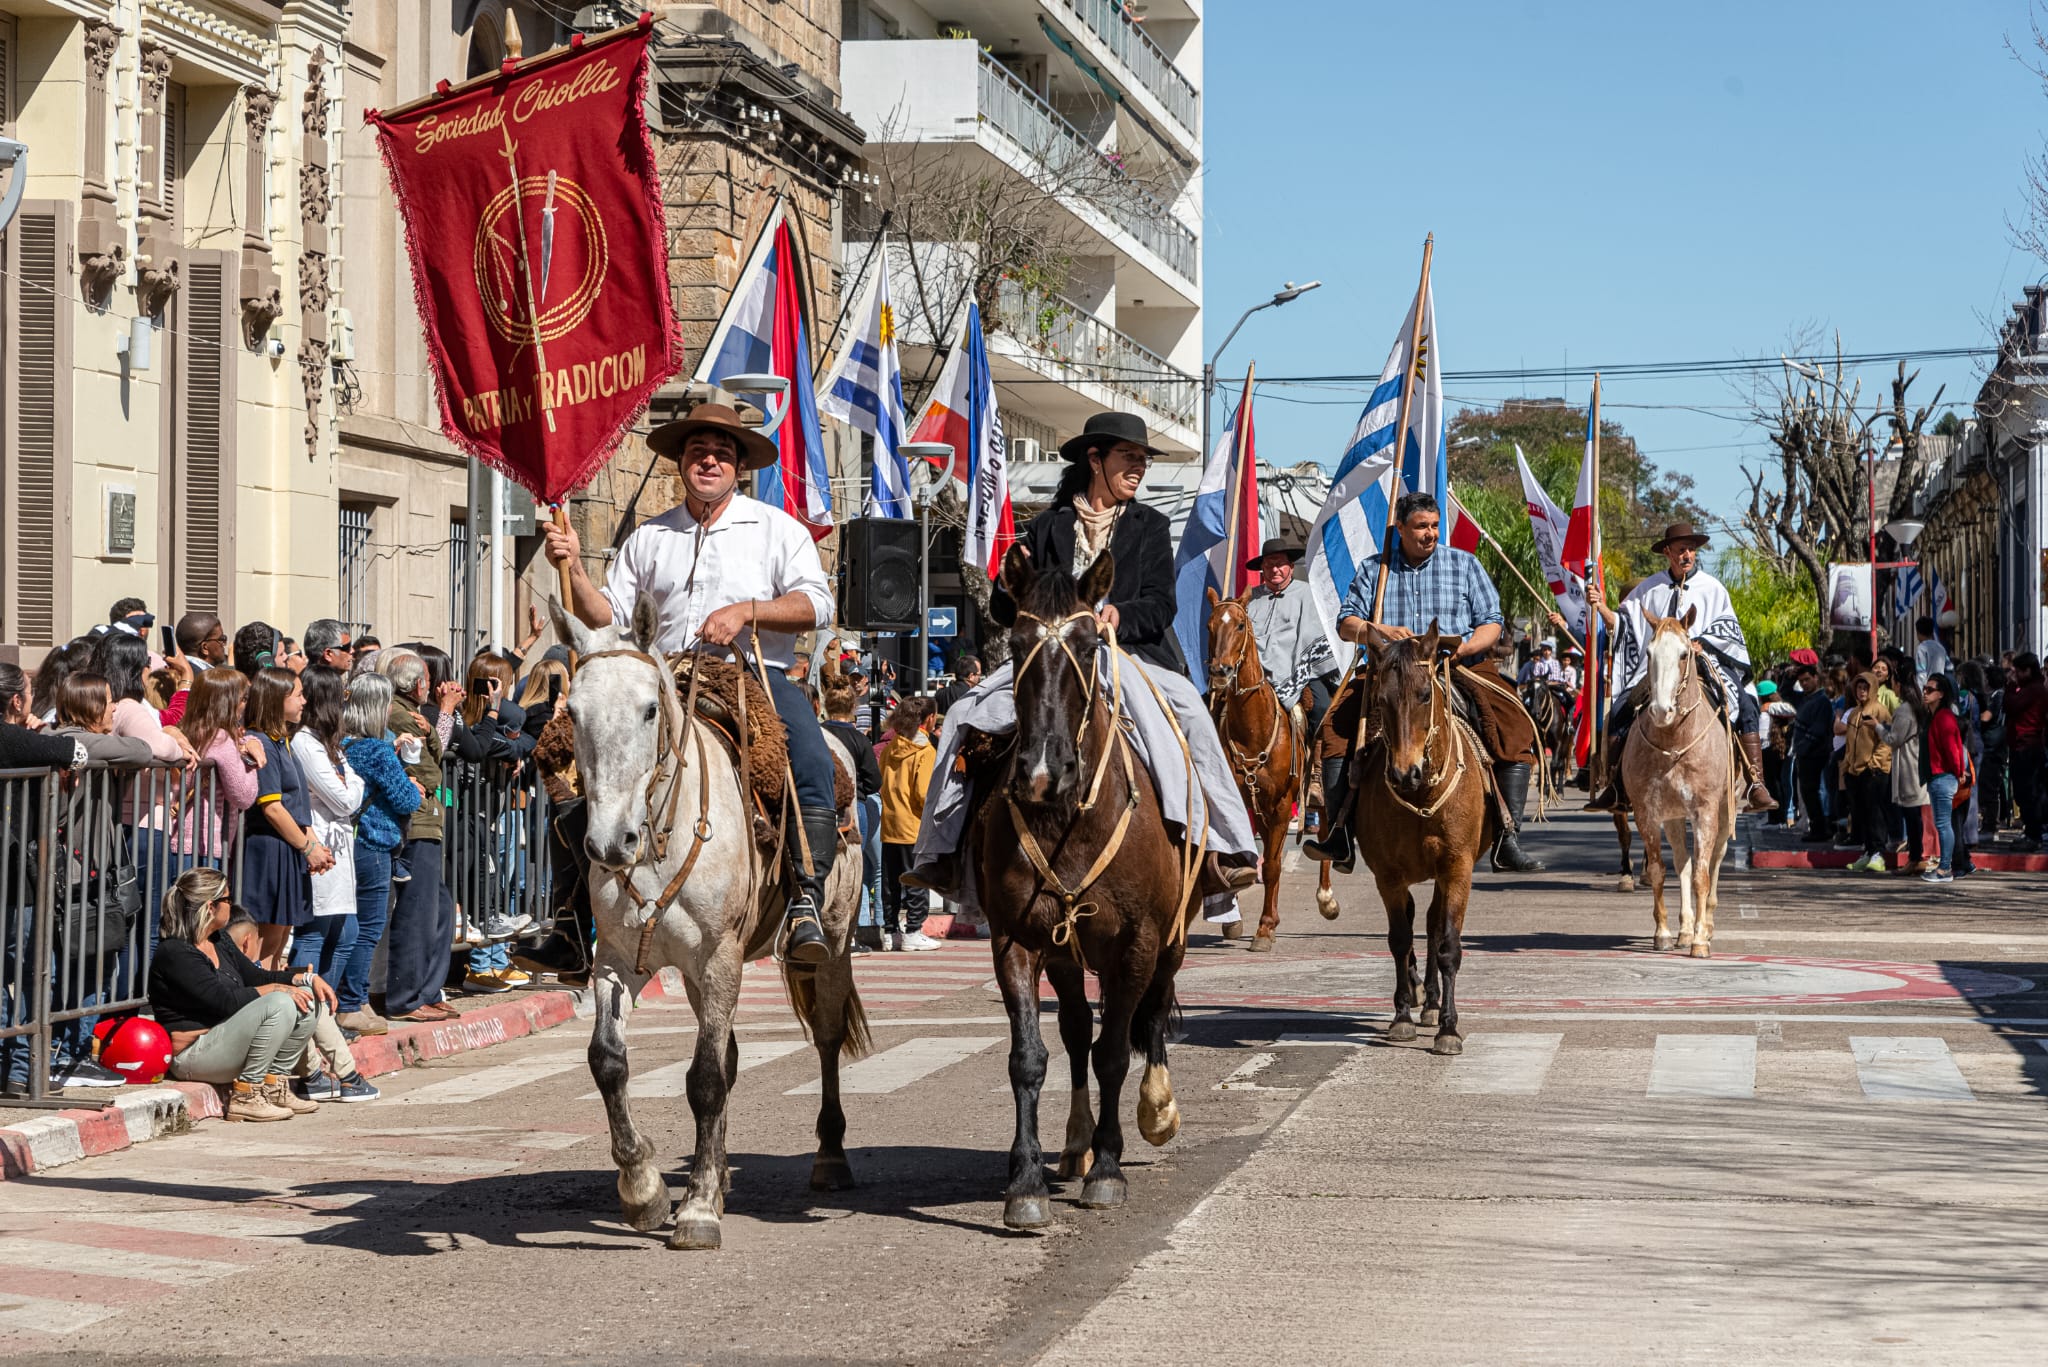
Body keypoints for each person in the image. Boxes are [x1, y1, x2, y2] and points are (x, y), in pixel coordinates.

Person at [901, 411, 1261, 910]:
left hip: (1127, 656)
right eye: (1129, 457)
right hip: (1052, 659)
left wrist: (1118, 614)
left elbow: (1162, 605)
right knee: (965, 714)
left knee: (1191, 717)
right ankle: (942, 850)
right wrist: (1010, 578)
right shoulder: (1048, 526)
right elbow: (1012, 609)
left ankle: (1222, 847)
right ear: (1096, 460)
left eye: (1143, 460)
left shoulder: (1151, 526)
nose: (1139, 467)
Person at [544, 402, 844, 964]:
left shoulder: (776, 527)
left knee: (808, 756)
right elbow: (603, 615)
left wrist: (747, 611)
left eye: (722, 454)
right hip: (662, 676)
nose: (709, 461)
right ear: (680, 463)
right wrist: (577, 569)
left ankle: (806, 897)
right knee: (562, 751)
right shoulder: (650, 535)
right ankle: (569, 916)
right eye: (698, 452)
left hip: (751, 672)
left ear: (739, 467)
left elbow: (818, 604)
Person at [1304, 490, 1547, 874]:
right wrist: (1378, 629)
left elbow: (1492, 622)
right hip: (1388, 671)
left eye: (1434, 526)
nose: (1430, 534)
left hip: (1456, 665)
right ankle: (1340, 836)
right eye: (1420, 527)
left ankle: (1506, 837)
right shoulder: (1375, 569)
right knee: (1334, 734)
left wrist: (1467, 647)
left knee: (1515, 727)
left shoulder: (1464, 565)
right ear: (1399, 528)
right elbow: (1347, 624)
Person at [1586, 522, 1778, 815]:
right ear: (1667, 553)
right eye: (1680, 550)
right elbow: (1625, 624)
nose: (1687, 554)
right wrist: (1600, 606)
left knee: (1746, 703)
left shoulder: (1713, 589)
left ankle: (1756, 783)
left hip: (1706, 663)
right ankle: (1615, 785)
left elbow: (1729, 631)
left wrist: (1703, 643)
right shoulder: (1648, 589)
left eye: (1690, 549)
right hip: (1661, 668)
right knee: (1622, 709)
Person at [146, 869, 333, 1121]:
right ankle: (246, 1096)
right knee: (279, 1002)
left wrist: (306, 979)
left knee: (307, 996)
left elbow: (255, 977)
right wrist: (277, 990)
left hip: (222, 1039)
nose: (231, 906)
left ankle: (273, 1085)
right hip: (194, 1055)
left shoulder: (218, 939)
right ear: (211, 907)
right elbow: (224, 1002)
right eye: (227, 899)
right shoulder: (176, 952)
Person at [337, 672, 420, 1035]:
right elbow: (406, 798)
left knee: (351, 926)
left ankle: (356, 1000)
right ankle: (352, 1003)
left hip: (352, 841)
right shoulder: (376, 750)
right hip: (372, 842)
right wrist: (413, 785)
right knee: (369, 927)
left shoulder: (345, 742)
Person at [221, 910, 378, 1103]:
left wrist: (299, 978)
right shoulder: (234, 966)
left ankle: (314, 1077)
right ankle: (348, 1077)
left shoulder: (219, 961)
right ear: (247, 942)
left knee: (303, 996)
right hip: (243, 1050)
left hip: (240, 1045)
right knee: (302, 1000)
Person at [379, 648, 459, 1021]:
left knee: (439, 907)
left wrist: (430, 734)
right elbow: (428, 773)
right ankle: (406, 997)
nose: (430, 686)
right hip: (417, 821)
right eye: (426, 680)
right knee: (417, 910)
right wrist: (428, 737)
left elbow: (433, 756)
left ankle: (428, 989)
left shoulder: (409, 714)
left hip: (428, 821)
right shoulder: (398, 714)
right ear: (415, 684)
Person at [242, 667, 334, 966]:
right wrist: (307, 847)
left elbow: (297, 804)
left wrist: (315, 845)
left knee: (281, 933)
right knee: (266, 936)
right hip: (270, 848)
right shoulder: (262, 742)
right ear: (275, 700)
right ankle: (264, 1001)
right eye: (297, 695)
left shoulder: (281, 740)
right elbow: (273, 808)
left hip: (290, 846)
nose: (304, 701)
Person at [1241, 536, 1340, 801]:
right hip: (1255, 675)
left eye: (1280, 564)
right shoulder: (1250, 600)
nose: (1275, 569)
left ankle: (1317, 775)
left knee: (1322, 709)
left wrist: (1301, 669)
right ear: (1261, 569)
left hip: (1301, 672)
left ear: (1291, 568)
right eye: (1270, 564)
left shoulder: (1307, 594)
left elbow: (1314, 638)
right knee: (1216, 709)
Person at [288, 666, 365, 987]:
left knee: (347, 933)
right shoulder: (305, 744)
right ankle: (305, 1021)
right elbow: (346, 798)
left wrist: (352, 782)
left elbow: (352, 783)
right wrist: (353, 784)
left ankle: (323, 1016)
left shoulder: (327, 743)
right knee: (315, 935)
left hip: (339, 849)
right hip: (320, 846)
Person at [819, 663, 885, 953]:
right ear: (853, 706)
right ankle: (853, 935)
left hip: (821, 808)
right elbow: (873, 781)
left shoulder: (817, 734)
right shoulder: (859, 739)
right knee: (856, 872)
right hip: (854, 809)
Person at [878, 697, 940, 951]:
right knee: (916, 880)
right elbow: (923, 793)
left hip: (890, 822)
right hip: (913, 824)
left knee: (890, 882)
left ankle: (890, 930)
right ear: (929, 719)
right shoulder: (925, 751)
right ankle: (914, 929)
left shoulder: (892, 746)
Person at [1838, 674, 1895, 872]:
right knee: (1861, 813)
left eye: (1865, 688)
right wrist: (1846, 765)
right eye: (1858, 687)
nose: (1861, 691)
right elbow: (1848, 742)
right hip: (1854, 771)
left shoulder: (1880, 710)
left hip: (1874, 771)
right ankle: (1868, 851)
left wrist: (1874, 764)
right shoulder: (1854, 713)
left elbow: (1886, 741)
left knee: (1876, 813)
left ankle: (1878, 853)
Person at [1882, 671, 1930, 874]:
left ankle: (1915, 857)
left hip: (1908, 765)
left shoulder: (1904, 710)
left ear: (1899, 685)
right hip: (1916, 763)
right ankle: (1916, 856)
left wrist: (1877, 727)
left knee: (1911, 814)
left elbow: (1893, 739)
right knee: (1914, 814)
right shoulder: (1919, 708)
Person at [1922, 674, 1967, 884]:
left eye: (1930, 689)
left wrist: (1958, 771)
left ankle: (1945, 869)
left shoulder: (1944, 717)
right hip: (1939, 776)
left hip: (1943, 776)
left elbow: (1953, 749)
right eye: (1925, 688)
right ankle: (1945, 867)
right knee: (1943, 823)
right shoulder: (1936, 716)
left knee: (1943, 823)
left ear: (1941, 694)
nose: (1925, 692)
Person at [2006, 653, 2048, 850]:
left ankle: (2034, 834)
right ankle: (2032, 831)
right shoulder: (2029, 689)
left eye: (2018, 671)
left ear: (2028, 671)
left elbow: (2012, 705)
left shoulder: (2033, 690)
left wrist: (2010, 687)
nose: (2015, 675)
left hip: (2028, 747)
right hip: (2021, 745)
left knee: (2029, 792)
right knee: (2023, 792)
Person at [1915, 617, 1952, 688]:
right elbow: (1949, 667)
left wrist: (1921, 693)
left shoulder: (1921, 648)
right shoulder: (1941, 648)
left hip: (1929, 689)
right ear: (1932, 632)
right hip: (1941, 688)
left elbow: (1921, 673)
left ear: (1918, 633)